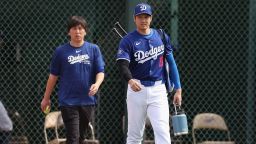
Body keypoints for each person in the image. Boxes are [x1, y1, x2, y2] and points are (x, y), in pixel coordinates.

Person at [116, 3, 182, 144]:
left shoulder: (161, 36)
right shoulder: (127, 41)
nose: (143, 20)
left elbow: (171, 62)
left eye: (146, 16)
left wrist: (178, 89)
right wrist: (130, 80)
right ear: (134, 19)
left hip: (158, 89)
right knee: (134, 134)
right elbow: (123, 65)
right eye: (140, 17)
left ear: (151, 18)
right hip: (137, 88)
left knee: (163, 132)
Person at [41, 16, 105, 144]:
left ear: (85, 31)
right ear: (68, 32)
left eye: (80, 28)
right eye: (74, 28)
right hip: (68, 101)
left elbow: (100, 72)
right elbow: (53, 76)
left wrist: (97, 84)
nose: (78, 32)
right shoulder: (60, 51)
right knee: (73, 137)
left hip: (87, 101)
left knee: (80, 137)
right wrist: (46, 98)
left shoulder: (93, 49)